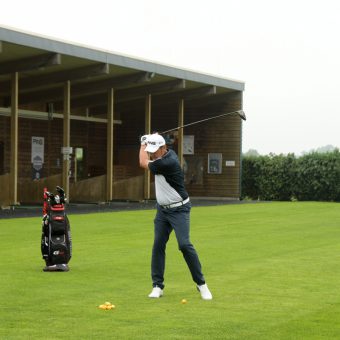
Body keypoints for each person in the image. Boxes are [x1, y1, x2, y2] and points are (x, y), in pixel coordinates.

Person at [139, 133, 212, 300]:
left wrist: (142, 142)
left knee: (184, 245)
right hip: (162, 211)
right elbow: (148, 156)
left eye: (154, 150)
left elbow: (142, 162)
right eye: (151, 150)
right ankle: (157, 286)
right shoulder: (165, 154)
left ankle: (202, 284)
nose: (151, 153)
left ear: (163, 148)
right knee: (158, 244)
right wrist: (149, 141)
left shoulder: (167, 162)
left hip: (180, 209)